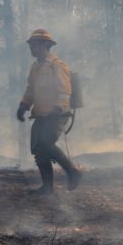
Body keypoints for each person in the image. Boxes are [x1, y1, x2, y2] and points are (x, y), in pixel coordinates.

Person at [16, 28, 82, 194]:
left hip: (58, 113)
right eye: (31, 45)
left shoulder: (56, 66)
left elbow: (64, 90)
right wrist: (23, 105)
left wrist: (58, 107)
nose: (32, 48)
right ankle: (47, 188)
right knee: (38, 148)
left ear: (46, 45)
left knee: (46, 142)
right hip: (41, 113)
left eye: (35, 45)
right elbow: (31, 89)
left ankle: (73, 172)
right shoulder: (35, 67)